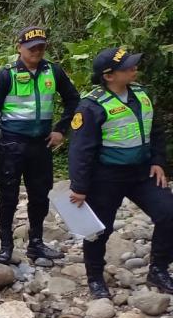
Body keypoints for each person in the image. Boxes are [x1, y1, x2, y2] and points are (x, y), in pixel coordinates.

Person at [68, 47, 173, 298]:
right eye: (127, 67)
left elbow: (155, 130)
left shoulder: (141, 95)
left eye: (133, 64)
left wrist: (159, 161)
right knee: (99, 230)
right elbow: (81, 150)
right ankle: (95, 278)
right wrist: (79, 188)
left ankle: (158, 269)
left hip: (142, 173)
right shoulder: (91, 106)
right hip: (106, 177)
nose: (134, 68)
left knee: (169, 214)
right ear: (109, 76)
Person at [0, 26, 80, 264]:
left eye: (41, 47)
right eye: (31, 47)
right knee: (8, 196)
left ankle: (36, 243)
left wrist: (60, 129)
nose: (37, 51)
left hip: (41, 145)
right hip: (11, 145)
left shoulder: (53, 71)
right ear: (20, 48)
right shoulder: (7, 74)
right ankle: (6, 245)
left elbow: (73, 99)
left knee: (39, 196)